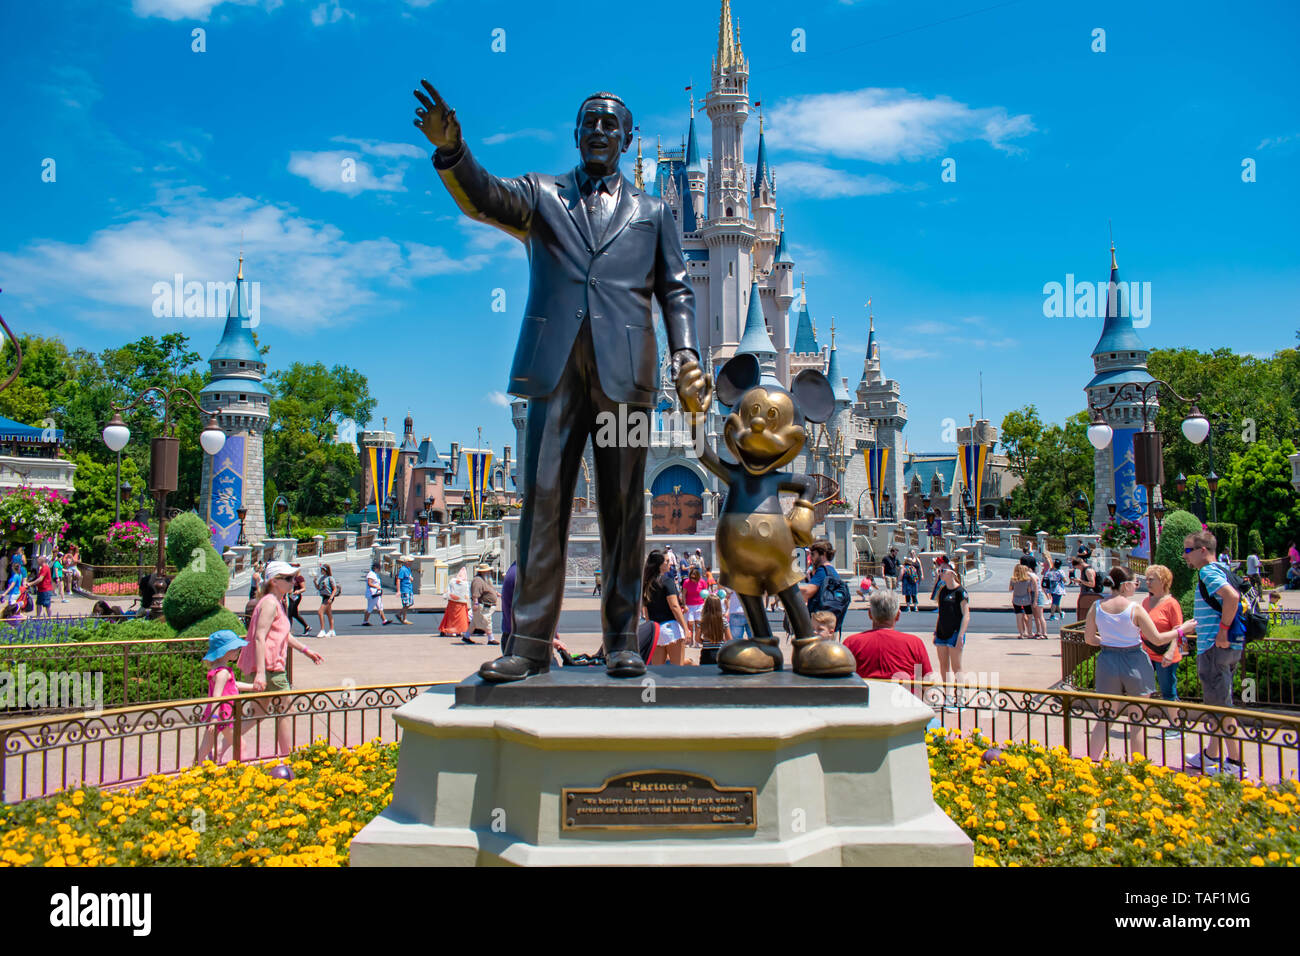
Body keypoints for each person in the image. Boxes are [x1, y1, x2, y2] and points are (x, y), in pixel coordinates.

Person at [416, 84, 712, 684]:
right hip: (553, 376)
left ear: (628, 140)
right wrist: (454, 153)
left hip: (626, 380)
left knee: (626, 508)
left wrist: (685, 355)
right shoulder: (542, 196)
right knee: (544, 503)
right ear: (576, 135)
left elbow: (676, 290)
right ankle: (528, 644)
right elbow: (484, 198)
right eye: (589, 123)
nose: (600, 131)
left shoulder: (653, 214)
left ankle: (624, 640)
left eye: (611, 124)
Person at [238, 561, 324, 755]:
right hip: (269, 668)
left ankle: (220, 747)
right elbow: (260, 636)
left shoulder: (275, 602)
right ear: (275, 581)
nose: (293, 582)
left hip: (268, 666)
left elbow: (284, 634)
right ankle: (287, 756)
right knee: (285, 711)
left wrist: (306, 650)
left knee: (258, 714)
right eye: (288, 579)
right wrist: (260, 673)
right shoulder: (269, 603)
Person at [1083, 566, 1164, 759]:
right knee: (1138, 720)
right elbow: (1157, 639)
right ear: (1126, 585)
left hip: (1108, 660)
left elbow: (1089, 639)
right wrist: (1181, 631)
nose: (1137, 587)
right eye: (1136, 583)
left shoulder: (1097, 606)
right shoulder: (1134, 608)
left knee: (1104, 718)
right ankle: (1138, 768)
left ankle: (1090, 762)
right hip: (1134, 660)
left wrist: (1107, 641)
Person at [1183, 530, 1246, 775]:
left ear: (1202, 550)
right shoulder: (1222, 568)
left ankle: (1236, 764)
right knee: (1219, 700)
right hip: (1230, 646)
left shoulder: (1207, 571)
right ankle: (1211, 754)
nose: (1184, 556)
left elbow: (1231, 597)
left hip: (1214, 646)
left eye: (1188, 550)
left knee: (1219, 705)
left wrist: (1222, 631)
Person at [843, 589, 934, 683]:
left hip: (867, 696)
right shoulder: (914, 643)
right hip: (904, 696)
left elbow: (843, 679)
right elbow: (925, 680)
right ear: (898, 615)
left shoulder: (851, 643)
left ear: (870, 614)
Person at [1141, 564, 1190, 737]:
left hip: (1165, 655)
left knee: (1168, 690)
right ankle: (1139, 721)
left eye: (1151, 579)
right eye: (1147, 579)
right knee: (1143, 688)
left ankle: (1176, 726)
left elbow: (1179, 630)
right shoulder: (1146, 601)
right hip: (1147, 652)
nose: (1147, 582)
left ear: (1163, 581)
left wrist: (1170, 651)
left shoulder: (1171, 604)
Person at [195, 629, 254, 764]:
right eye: (236, 648)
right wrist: (215, 718)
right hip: (222, 716)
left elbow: (233, 685)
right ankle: (242, 772)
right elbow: (217, 696)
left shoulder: (220, 670)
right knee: (240, 745)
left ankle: (192, 771)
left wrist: (252, 687)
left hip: (217, 715)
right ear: (226, 651)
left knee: (204, 749)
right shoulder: (222, 673)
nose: (238, 651)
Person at [643, 550, 689, 665]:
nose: (670, 564)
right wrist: (685, 628)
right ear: (660, 565)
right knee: (677, 670)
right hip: (670, 629)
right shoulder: (667, 581)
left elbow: (646, 611)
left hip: (656, 630)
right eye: (667, 561)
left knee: (657, 670)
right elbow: (674, 606)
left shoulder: (646, 583)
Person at [932, 556, 969, 686]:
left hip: (955, 633)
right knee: (943, 666)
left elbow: (966, 615)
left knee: (956, 667)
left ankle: (960, 697)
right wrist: (936, 631)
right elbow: (941, 613)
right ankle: (948, 695)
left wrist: (960, 635)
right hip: (942, 632)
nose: (940, 573)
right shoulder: (942, 591)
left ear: (952, 573)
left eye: (943, 571)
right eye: (939, 571)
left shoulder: (960, 591)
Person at [800, 539, 848, 637]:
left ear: (823, 554)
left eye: (813, 554)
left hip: (819, 628)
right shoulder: (831, 571)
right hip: (828, 626)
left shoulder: (822, 571)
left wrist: (784, 588)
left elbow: (807, 592)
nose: (811, 558)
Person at [470, 564, 499, 644]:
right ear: (483, 572)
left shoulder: (484, 580)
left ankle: (466, 636)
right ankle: (491, 639)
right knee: (487, 621)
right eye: (488, 571)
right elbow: (476, 593)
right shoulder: (478, 580)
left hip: (486, 605)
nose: (489, 572)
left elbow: (488, 589)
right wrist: (475, 603)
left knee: (474, 622)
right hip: (483, 605)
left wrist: (496, 593)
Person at [439, 567, 470, 638]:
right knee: (460, 618)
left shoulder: (452, 581)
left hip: (452, 603)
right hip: (461, 604)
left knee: (449, 617)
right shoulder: (465, 584)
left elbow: (448, 590)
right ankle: (458, 630)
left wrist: (446, 596)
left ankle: (445, 630)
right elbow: (467, 594)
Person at [1009, 563, 1037, 639]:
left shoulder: (1013, 579)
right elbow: (1029, 590)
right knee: (1030, 616)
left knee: (1019, 617)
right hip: (1026, 600)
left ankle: (1021, 634)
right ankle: (1030, 633)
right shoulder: (1028, 580)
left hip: (1016, 600)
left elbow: (1010, 589)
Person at [1073, 550, 1103, 621]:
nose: (1078, 569)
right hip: (1085, 594)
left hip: (1089, 595)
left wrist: (1080, 581)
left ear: (1079, 564)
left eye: (1077, 567)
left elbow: (1092, 584)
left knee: (1087, 614)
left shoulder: (1088, 570)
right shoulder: (1084, 570)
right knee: (1082, 612)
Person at [698, 594, 728, 665]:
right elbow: (729, 638)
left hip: (706, 652)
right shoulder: (723, 620)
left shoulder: (702, 621)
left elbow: (697, 638)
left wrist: (704, 642)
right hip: (720, 652)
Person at [682, 565, 707, 646]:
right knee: (690, 623)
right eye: (691, 578)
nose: (693, 580)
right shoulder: (686, 582)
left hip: (700, 604)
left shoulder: (702, 582)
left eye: (694, 578)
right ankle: (690, 640)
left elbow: (705, 594)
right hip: (689, 605)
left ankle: (697, 640)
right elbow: (683, 594)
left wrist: (705, 605)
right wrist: (684, 605)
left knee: (698, 624)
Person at [314, 563, 339, 638]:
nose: (321, 571)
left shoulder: (330, 578)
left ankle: (322, 630)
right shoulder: (321, 578)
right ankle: (332, 630)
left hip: (328, 596)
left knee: (320, 612)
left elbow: (335, 589)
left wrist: (331, 597)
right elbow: (318, 587)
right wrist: (314, 581)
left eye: (322, 570)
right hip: (323, 596)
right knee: (329, 613)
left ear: (325, 570)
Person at [362, 560, 390, 627]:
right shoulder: (371, 574)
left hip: (376, 594)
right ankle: (365, 621)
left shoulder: (375, 574)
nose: (379, 570)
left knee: (380, 607)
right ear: (375, 568)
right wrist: (377, 587)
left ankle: (384, 620)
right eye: (379, 568)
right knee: (370, 608)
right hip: (372, 594)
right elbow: (369, 583)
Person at [286, 570, 311, 635]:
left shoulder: (300, 578)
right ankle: (307, 627)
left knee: (290, 613)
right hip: (291, 596)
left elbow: (304, 588)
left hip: (296, 597)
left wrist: (298, 591)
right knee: (295, 614)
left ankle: (288, 631)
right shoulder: (292, 577)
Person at [395, 556, 416, 625]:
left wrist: (411, 579)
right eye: (410, 562)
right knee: (406, 604)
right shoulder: (402, 569)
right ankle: (404, 618)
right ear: (407, 562)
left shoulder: (408, 569)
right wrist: (398, 591)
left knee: (410, 603)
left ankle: (399, 614)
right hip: (405, 589)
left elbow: (408, 577)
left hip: (409, 588)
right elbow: (398, 579)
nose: (411, 563)